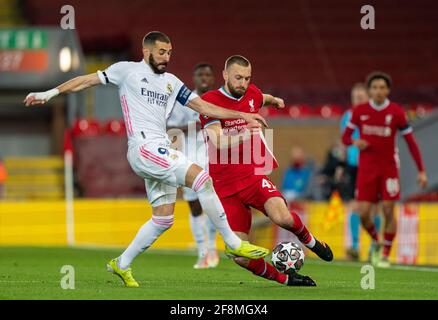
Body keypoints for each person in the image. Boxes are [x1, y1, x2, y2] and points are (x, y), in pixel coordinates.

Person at [23, 31, 270, 287]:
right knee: (202, 179)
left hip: (158, 147)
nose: (166, 57)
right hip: (143, 147)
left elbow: (205, 107)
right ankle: (234, 243)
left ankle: (122, 263)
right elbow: (85, 81)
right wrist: (49, 93)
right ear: (147, 51)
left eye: (170, 53)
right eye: (162, 52)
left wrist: (244, 117)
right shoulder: (126, 70)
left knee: (163, 219)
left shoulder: (172, 82)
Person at [200, 55, 333, 287]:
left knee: (281, 216)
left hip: (251, 177)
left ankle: (312, 243)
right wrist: (246, 133)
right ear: (225, 75)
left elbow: (262, 98)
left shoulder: (251, 93)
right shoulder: (209, 101)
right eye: (238, 78)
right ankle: (285, 279)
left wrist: (275, 101)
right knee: (238, 254)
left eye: (247, 78)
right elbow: (218, 142)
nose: (243, 83)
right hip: (225, 189)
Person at [342, 71, 427, 268]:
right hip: (366, 169)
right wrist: (356, 141)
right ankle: (376, 240)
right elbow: (345, 138)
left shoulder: (396, 112)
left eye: (382, 87)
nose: (379, 91)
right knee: (363, 213)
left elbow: (411, 143)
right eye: (375, 88)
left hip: (389, 168)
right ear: (369, 91)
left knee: (388, 210)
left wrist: (421, 170)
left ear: (388, 90)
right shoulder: (359, 111)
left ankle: (386, 254)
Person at [167, 63, 219, 269]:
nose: (204, 77)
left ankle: (212, 249)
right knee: (195, 206)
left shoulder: (219, 100)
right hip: (191, 158)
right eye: (200, 74)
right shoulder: (184, 101)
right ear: (194, 77)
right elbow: (170, 128)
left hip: (216, 158)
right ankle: (202, 252)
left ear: (213, 78)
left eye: (207, 74)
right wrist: (192, 126)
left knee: (213, 204)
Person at [340, 83, 381, 261]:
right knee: (354, 205)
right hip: (354, 166)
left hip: (373, 165)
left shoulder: (376, 115)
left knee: (374, 207)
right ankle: (355, 246)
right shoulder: (347, 116)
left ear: (368, 97)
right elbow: (345, 140)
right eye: (355, 97)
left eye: (361, 97)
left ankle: (374, 245)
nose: (357, 101)